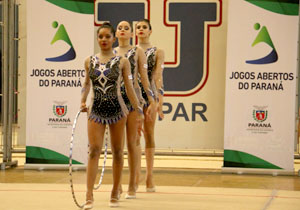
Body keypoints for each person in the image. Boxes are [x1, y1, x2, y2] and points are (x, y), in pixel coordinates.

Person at [80, 22, 143, 209]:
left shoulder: (122, 62)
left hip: (118, 110)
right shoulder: (88, 60)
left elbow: (130, 88)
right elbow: (86, 84)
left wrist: (138, 109)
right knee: (94, 150)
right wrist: (82, 101)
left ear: (113, 39)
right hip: (96, 110)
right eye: (101, 37)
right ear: (97, 39)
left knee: (117, 151)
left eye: (108, 37)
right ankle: (89, 193)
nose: (104, 40)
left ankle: (115, 190)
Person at [114, 20, 156, 199]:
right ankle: (117, 184)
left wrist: (152, 100)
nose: (123, 30)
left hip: (133, 101)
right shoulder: (111, 52)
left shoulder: (137, 51)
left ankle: (132, 183)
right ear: (116, 33)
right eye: (120, 28)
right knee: (117, 147)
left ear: (132, 34)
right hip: (115, 103)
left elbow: (144, 78)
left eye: (126, 28)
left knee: (133, 143)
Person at [135, 19, 165, 192]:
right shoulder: (130, 51)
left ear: (150, 31)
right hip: (134, 97)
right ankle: (136, 174)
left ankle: (149, 175)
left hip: (150, 96)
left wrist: (159, 100)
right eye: (138, 27)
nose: (140, 29)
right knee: (134, 136)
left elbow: (158, 76)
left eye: (144, 27)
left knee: (149, 133)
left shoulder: (157, 52)